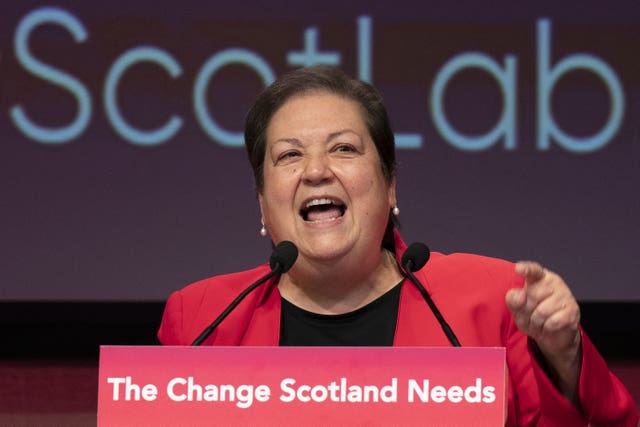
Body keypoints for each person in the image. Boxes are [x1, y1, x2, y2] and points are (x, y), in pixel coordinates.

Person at [158, 66, 638, 426]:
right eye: (289, 155)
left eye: (344, 148)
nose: (317, 170)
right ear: (263, 203)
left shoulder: (492, 301)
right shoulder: (202, 319)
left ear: (390, 187)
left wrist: (565, 356)